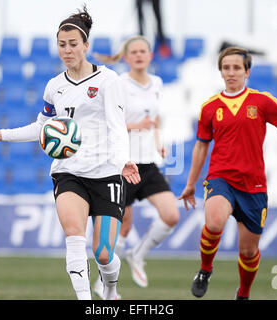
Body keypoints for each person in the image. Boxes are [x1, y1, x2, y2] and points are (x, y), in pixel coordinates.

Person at [0, 6, 141, 300]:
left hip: (106, 172)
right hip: (68, 171)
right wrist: (2, 135)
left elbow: (117, 126)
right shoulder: (54, 87)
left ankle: (109, 289)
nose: (67, 50)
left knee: (103, 253)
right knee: (74, 236)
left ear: (86, 46)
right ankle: (86, 302)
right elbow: (42, 127)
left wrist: (123, 160)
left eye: (73, 44)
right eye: (62, 45)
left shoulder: (109, 81)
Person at [178, 46, 277, 300]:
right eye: (226, 68)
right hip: (221, 178)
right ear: (220, 71)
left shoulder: (261, 101)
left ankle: (243, 294)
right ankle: (205, 270)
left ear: (247, 71)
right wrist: (190, 183)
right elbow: (201, 146)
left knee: (248, 251)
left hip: (254, 185)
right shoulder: (210, 107)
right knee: (214, 222)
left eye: (236, 68)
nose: (231, 73)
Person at [92, 36, 180, 298]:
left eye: (144, 51)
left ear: (150, 55)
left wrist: (158, 142)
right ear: (126, 57)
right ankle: (105, 283)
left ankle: (137, 255)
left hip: (148, 163)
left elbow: (154, 119)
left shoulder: (157, 83)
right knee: (124, 226)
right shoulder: (118, 84)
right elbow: (106, 122)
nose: (139, 55)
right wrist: (134, 127)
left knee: (171, 215)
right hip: (123, 163)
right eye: (134, 52)